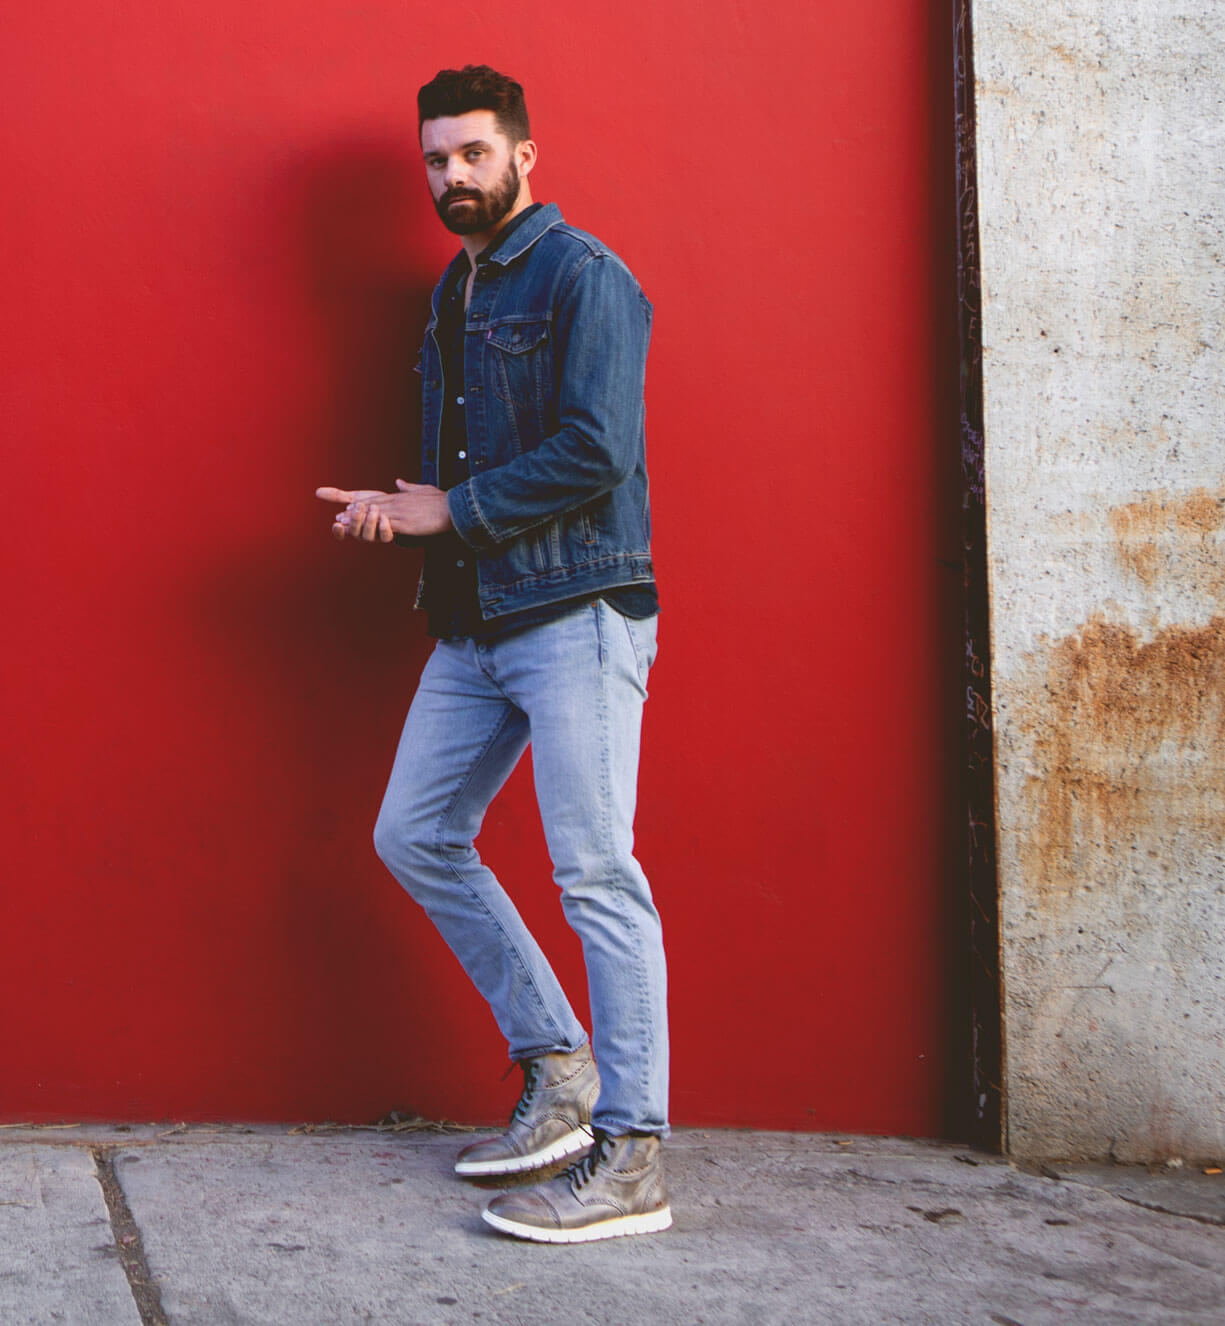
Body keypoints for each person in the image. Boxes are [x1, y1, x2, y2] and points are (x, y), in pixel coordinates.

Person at [316, 64, 670, 1244]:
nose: (450, 178)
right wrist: (402, 507)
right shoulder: (452, 294)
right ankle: (558, 1068)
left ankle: (632, 1156)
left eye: (472, 154)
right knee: (413, 832)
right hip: (478, 622)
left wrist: (447, 511)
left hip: (578, 612)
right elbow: (467, 469)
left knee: (595, 874)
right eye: (434, 160)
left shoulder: (586, 275)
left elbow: (597, 452)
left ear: (524, 155)